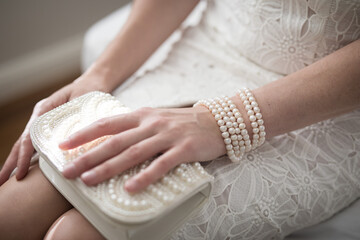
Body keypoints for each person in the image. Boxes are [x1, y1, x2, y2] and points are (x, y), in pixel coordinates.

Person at [0, 0, 359, 239]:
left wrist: (222, 122)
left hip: (321, 105)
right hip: (211, 45)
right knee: (11, 210)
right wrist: (97, 78)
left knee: (75, 234)